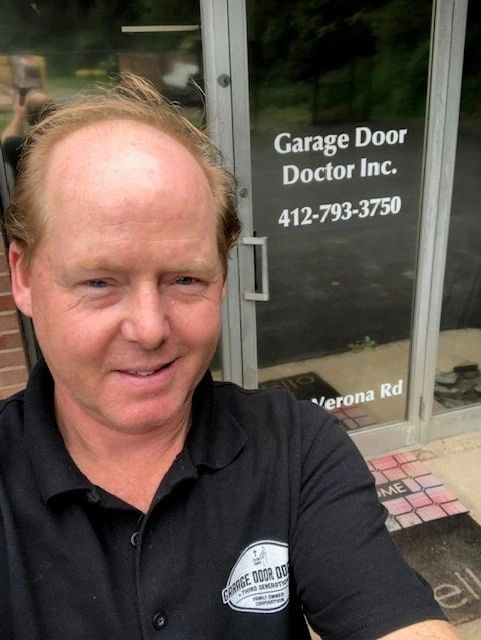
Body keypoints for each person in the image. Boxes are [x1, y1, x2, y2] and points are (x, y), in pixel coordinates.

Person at [0, 74, 459, 639]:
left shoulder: (296, 448)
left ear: (221, 281)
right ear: (24, 277)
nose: (150, 329)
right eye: (99, 282)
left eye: (185, 279)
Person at [1, 88, 55, 178]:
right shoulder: (61, 142)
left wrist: (18, 115)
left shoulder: (17, 146)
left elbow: (4, 142)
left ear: (26, 115)